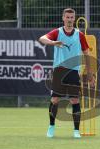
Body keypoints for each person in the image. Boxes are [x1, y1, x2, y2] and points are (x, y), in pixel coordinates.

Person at [39, 8, 95, 138]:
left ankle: (76, 131)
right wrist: (53, 42)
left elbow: (87, 54)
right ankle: (51, 126)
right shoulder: (57, 32)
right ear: (63, 18)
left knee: (75, 100)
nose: (69, 20)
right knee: (55, 99)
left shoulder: (79, 34)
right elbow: (42, 38)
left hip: (74, 71)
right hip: (59, 70)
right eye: (67, 17)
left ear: (74, 19)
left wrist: (90, 73)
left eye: (71, 17)